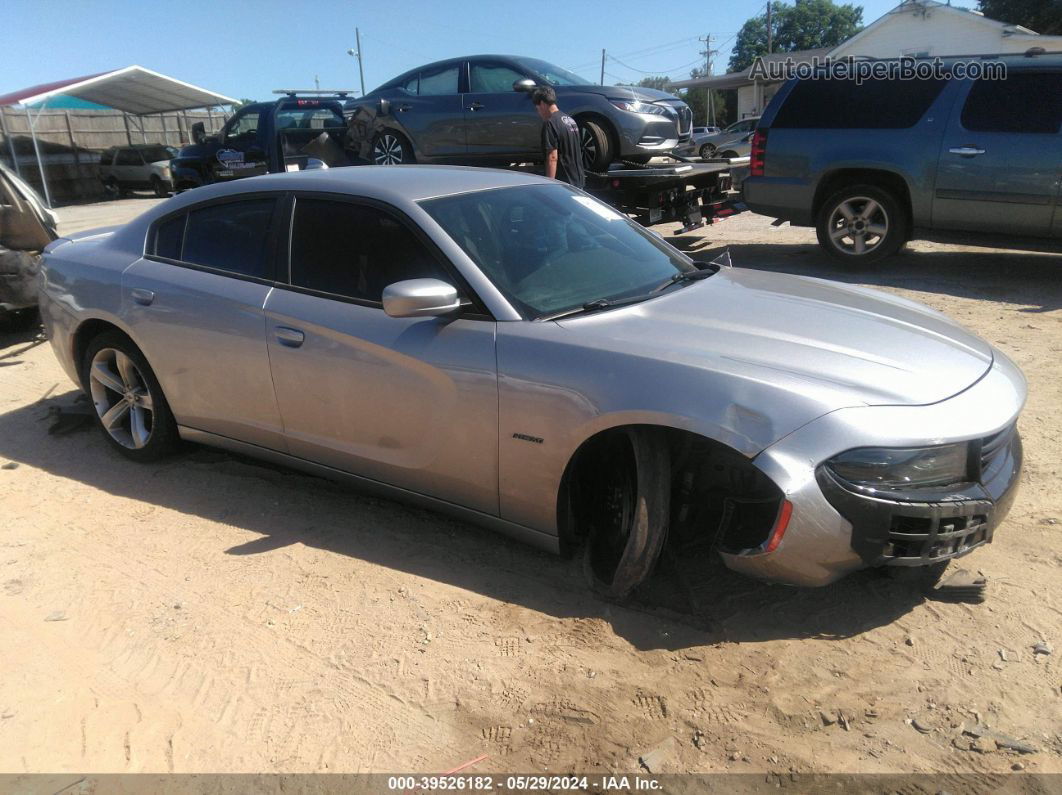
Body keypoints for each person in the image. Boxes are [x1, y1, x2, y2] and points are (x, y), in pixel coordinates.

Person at [532, 86, 586, 189]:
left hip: (564, 183)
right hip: (578, 179)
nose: (539, 113)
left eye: (537, 109)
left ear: (542, 104)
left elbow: (552, 158)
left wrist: (550, 185)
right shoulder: (570, 120)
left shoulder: (550, 123)